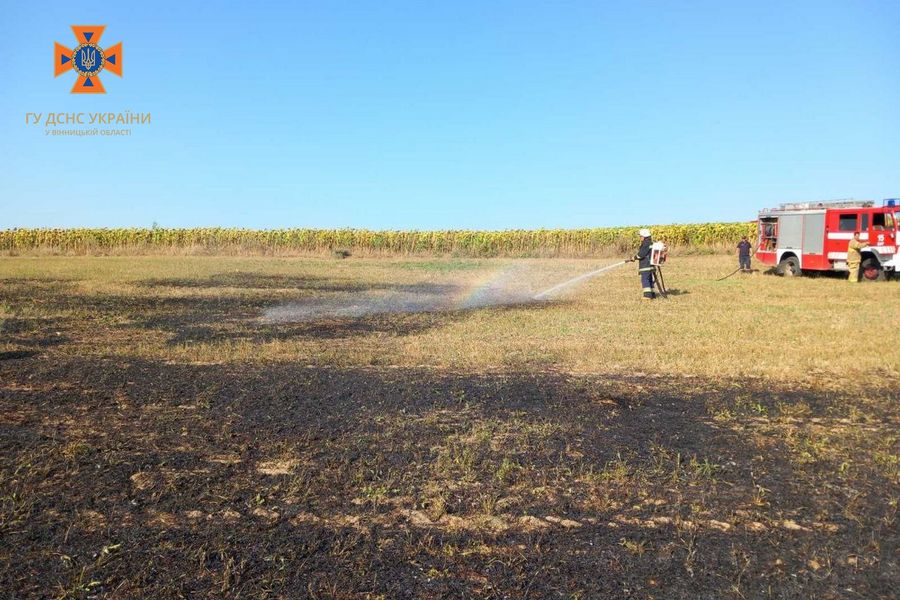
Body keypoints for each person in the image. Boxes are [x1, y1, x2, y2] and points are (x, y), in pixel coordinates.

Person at [629, 228, 655, 300]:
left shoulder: (645, 244)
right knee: (649, 280)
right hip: (650, 265)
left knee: (645, 280)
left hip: (645, 265)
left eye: (641, 236)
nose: (640, 237)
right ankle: (652, 294)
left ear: (644, 236)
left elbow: (641, 254)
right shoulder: (650, 243)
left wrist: (634, 257)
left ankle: (647, 296)